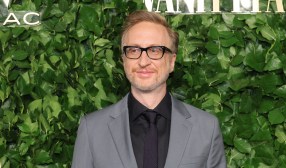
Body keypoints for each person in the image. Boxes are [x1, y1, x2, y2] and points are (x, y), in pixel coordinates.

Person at [71, 10, 226, 168]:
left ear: (172, 61)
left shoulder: (207, 128)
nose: (143, 61)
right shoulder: (92, 129)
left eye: (155, 50)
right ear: (123, 59)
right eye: (134, 50)